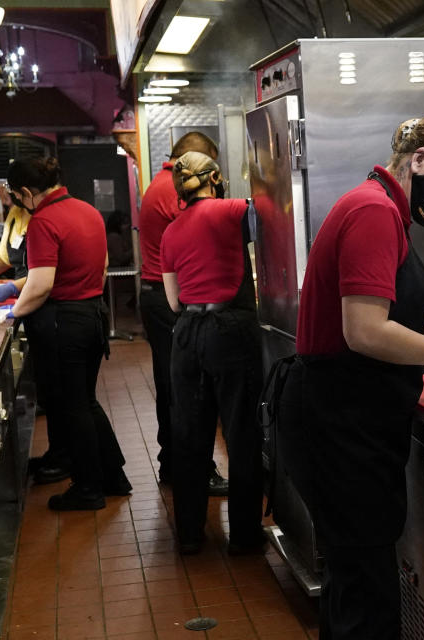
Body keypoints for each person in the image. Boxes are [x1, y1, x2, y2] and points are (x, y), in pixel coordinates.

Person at [275, 109, 424, 638]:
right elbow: (363, 331)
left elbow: (378, 322)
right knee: (365, 600)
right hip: (339, 423)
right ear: (420, 159)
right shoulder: (373, 212)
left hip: (345, 416)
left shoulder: (380, 207)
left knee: (354, 586)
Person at [8, 156, 131, 511]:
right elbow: (102, 266)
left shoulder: (43, 221)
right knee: (85, 402)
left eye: (18, 196)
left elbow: (42, 284)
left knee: (72, 408)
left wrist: (11, 314)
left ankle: (89, 490)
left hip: (64, 324)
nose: (19, 202)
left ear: (28, 192)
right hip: (93, 316)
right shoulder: (87, 210)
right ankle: (113, 477)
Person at [161, 151, 265, 555]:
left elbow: (173, 301)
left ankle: (189, 534)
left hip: (187, 333)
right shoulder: (235, 210)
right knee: (241, 434)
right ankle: (243, 537)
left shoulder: (171, 232)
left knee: (189, 435)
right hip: (231, 329)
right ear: (215, 178)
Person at [138, 132, 228, 496]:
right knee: (186, 390)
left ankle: (175, 464)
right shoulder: (172, 193)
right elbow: (204, 229)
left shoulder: (160, 183)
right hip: (169, 298)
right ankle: (195, 471)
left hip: (159, 295)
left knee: (172, 387)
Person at [0, 186, 71, 485]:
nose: (5, 196)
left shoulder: (44, 219)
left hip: (37, 299)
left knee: (58, 390)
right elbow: (3, 259)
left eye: (10, 191)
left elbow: (44, 271)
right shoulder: (14, 217)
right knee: (46, 387)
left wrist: (14, 290)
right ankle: (56, 453)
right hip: (25, 302)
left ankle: (63, 457)